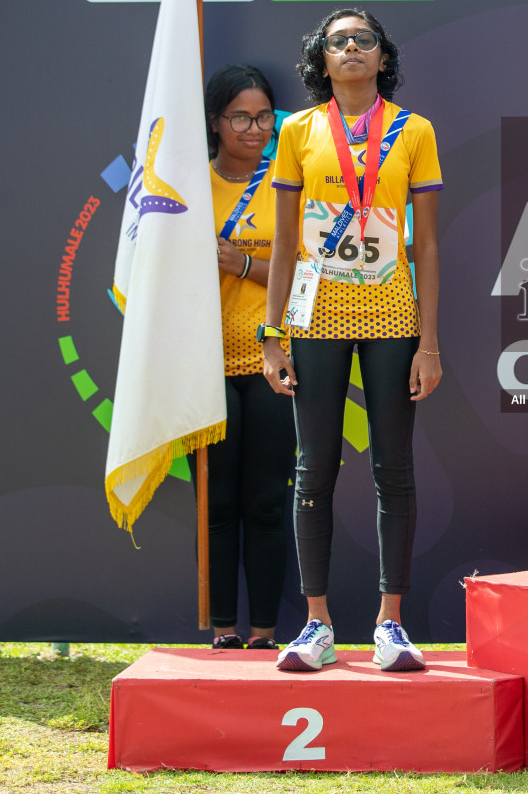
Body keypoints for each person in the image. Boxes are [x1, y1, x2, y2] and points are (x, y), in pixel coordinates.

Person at [259, 8, 443, 672]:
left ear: (383, 57)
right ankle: (317, 626)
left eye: (364, 40)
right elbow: (283, 243)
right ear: (323, 61)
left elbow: (425, 244)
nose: (352, 49)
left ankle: (390, 624)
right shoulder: (298, 132)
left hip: (394, 314)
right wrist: (271, 335)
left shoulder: (413, 129)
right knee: (315, 467)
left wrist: (430, 342)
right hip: (314, 320)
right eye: (339, 42)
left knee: (393, 469)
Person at [199, 64, 297, 651]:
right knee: (217, 505)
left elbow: (306, 270)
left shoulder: (287, 181)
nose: (255, 127)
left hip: (273, 358)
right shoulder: (186, 187)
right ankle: (223, 632)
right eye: (241, 116)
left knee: (265, 502)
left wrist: (241, 265)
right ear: (216, 121)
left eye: (264, 116)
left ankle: (263, 634)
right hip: (202, 366)